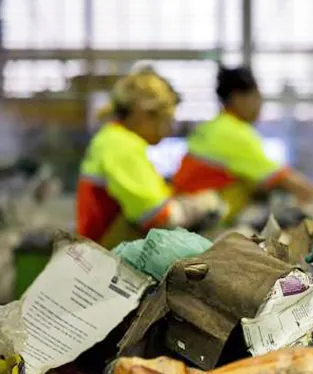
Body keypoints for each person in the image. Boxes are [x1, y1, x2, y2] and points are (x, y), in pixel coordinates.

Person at [77, 69, 224, 248]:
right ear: (143, 113)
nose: (169, 130)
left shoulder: (112, 138)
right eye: (167, 120)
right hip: (105, 263)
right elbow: (159, 217)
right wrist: (202, 205)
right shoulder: (121, 145)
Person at [172, 65, 313, 223]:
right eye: (257, 97)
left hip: (187, 210)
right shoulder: (234, 132)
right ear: (237, 98)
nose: (260, 105)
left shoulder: (214, 126)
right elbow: (282, 178)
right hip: (200, 220)